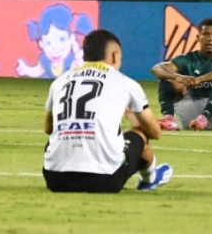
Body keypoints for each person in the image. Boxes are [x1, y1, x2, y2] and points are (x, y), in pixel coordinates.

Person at [43, 29, 172, 193]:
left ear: (85, 56)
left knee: (57, 137)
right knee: (139, 133)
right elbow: (155, 133)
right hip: (103, 180)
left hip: (56, 180)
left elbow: (48, 128)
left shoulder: (59, 82)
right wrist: (133, 117)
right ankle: (150, 178)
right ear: (113, 56)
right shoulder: (126, 83)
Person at [150, 18, 212, 131]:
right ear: (197, 37)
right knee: (166, 77)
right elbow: (157, 68)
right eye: (205, 34)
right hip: (191, 111)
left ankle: (204, 118)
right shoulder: (188, 59)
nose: (210, 38)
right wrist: (178, 77)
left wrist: (199, 80)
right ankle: (169, 119)